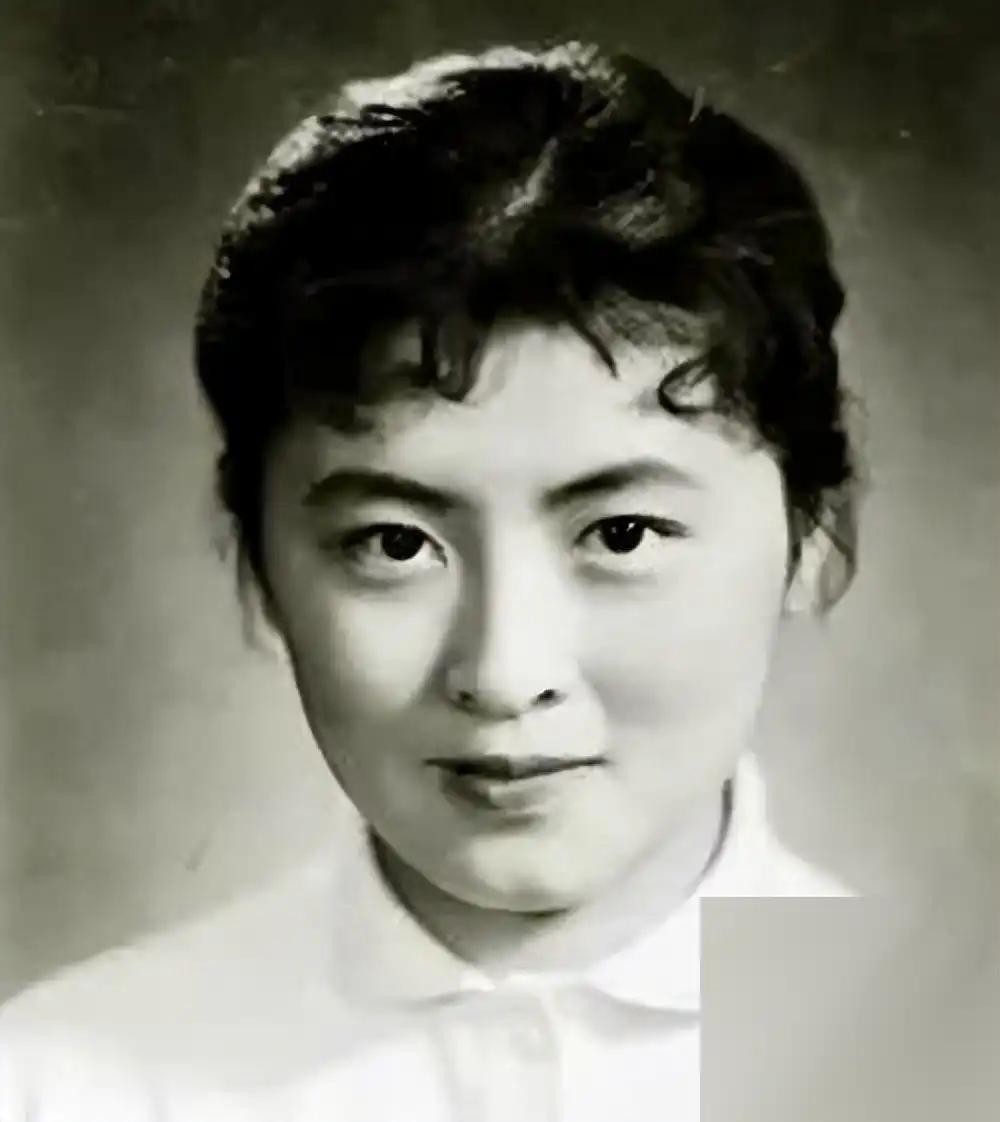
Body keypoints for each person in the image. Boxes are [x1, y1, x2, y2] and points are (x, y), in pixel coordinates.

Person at [0, 39, 859, 1121]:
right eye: (395, 545)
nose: (504, 673)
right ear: (257, 570)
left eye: (623, 533)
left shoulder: (960, 1060)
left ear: (812, 537)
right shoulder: (58, 1085)